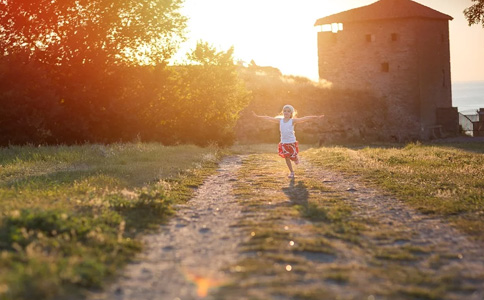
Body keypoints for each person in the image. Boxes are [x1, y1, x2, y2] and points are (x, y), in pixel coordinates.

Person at [253, 105, 324, 178]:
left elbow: (305, 118)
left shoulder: (292, 121)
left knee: (292, 157)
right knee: (287, 157)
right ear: (283, 112)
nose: (286, 112)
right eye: (285, 111)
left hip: (291, 142)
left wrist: (316, 117)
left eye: (288, 111)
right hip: (283, 143)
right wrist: (258, 117)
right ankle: (292, 172)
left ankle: (295, 158)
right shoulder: (280, 120)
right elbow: (268, 118)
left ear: (291, 113)